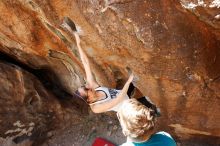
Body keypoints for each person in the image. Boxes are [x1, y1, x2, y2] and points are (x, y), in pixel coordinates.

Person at [61, 17, 160, 114]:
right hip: (128, 110)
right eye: (86, 90)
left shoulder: (92, 87)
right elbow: (117, 100)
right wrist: (130, 79)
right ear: (89, 100)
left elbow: (85, 62)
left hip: (125, 95)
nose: (88, 87)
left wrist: (77, 38)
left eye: (84, 86)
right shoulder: (96, 108)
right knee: (150, 111)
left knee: (147, 97)